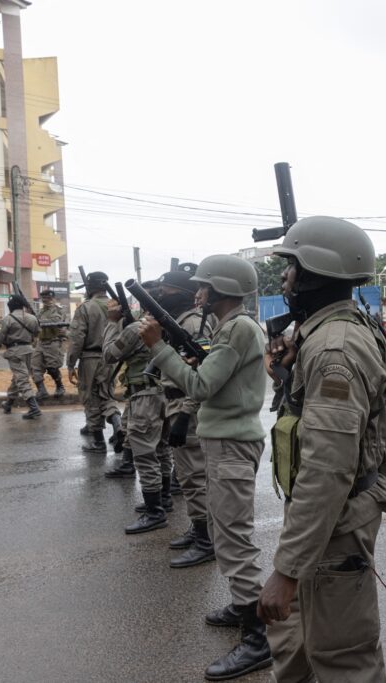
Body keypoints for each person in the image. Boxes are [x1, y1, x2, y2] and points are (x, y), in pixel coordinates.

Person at [257, 216, 386, 683]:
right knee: (296, 645)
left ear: (316, 274)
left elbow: (327, 469)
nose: (284, 278)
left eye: (292, 267)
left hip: (333, 521)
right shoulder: (328, 331)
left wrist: (286, 569)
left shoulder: (333, 350)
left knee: (344, 659)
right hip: (324, 519)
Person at [139, 254, 270, 681]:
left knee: (232, 537)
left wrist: (158, 346)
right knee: (225, 528)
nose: (198, 292)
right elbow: (208, 381)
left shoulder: (236, 329)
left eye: (204, 286)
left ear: (221, 290)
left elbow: (198, 384)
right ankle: (243, 603)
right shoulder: (229, 328)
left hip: (232, 444)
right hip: (225, 440)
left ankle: (259, 635)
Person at [151, 270, 218, 569]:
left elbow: (202, 372)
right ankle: (198, 527)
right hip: (176, 402)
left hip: (186, 406)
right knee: (188, 476)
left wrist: (185, 413)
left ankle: (207, 540)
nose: (162, 295)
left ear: (180, 292)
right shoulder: (180, 320)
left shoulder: (193, 322)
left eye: (166, 290)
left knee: (193, 477)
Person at [103, 295, 171, 535]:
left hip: (145, 396)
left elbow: (109, 355)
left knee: (144, 454)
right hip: (169, 394)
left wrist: (112, 323)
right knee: (162, 449)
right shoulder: (172, 325)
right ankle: (164, 498)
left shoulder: (137, 328)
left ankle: (155, 512)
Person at [67, 272, 122, 453]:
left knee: (91, 397)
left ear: (90, 287)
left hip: (90, 358)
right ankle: (118, 427)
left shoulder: (86, 308)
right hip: (111, 357)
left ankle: (98, 442)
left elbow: (76, 338)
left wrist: (70, 364)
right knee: (108, 395)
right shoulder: (117, 306)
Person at [0, 294, 41, 420]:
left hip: (15, 352)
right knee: (18, 378)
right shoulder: (32, 318)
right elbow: (36, 333)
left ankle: (34, 408)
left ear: (10, 307)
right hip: (29, 350)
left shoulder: (6, 320)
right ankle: (8, 404)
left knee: (22, 379)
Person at [30, 289, 68, 399]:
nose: (46, 300)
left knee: (52, 368)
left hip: (53, 342)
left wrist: (38, 321)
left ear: (53, 298)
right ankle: (42, 390)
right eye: (44, 298)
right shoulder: (41, 312)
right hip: (41, 342)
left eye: (48, 298)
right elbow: (36, 324)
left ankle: (60, 386)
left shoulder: (58, 310)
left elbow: (55, 322)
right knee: (35, 367)